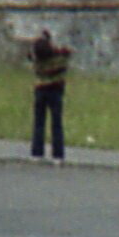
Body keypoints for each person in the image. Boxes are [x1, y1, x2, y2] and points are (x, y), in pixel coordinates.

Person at [26, 28, 71, 162]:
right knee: (56, 123)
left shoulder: (37, 60)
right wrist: (60, 51)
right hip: (55, 90)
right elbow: (66, 59)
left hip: (40, 89)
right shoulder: (58, 59)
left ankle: (37, 152)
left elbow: (31, 58)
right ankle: (57, 154)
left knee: (39, 122)